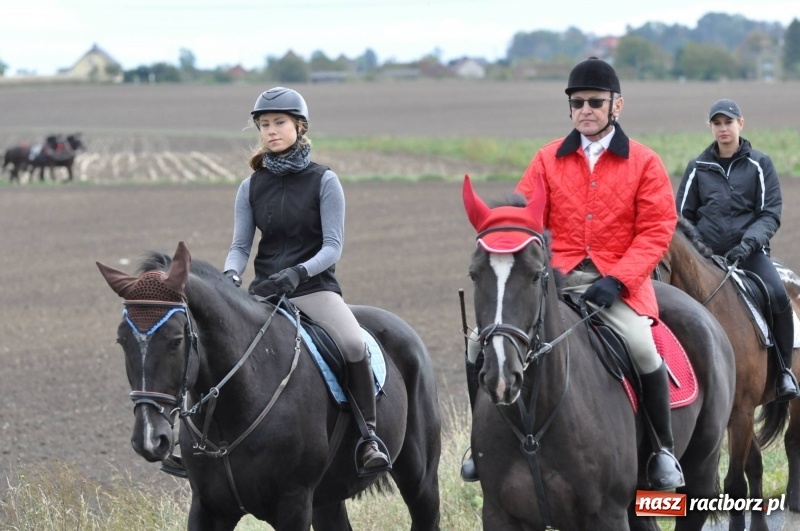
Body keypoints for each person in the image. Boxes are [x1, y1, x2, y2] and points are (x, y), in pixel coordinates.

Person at [461, 57, 684, 491]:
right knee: (478, 345)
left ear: (616, 105)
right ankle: (479, 445)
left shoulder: (644, 162)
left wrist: (619, 279)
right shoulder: (547, 159)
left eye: (595, 102)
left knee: (642, 347)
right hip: (553, 283)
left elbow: (657, 229)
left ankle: (661, 452)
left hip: (617, 286)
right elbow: (523, 221)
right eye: (577, 102)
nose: (585, 109)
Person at [222, 86, 391, 474]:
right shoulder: (250, 186)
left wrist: (297, 273)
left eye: (279, 123)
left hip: (313, 289)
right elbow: (239, 245)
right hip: (265, 294)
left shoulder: (324, 181)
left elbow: (332, 247)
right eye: (264, 125)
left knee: (351, 342)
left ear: (299, 126)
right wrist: (231, 273)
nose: (271, 131)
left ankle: (369, 438)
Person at [676, 98, 800, 402]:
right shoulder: (697, 168)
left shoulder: (760, 163)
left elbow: (769, 213)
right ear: (711, 127)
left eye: (728, 122)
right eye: (717, 123)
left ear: (740, 124)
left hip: (749, 254)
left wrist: (747, 244)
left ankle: (784, 370)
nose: (723, 128)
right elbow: (681, 218)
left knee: (777, 294)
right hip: (704, 257)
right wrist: (699, 248)